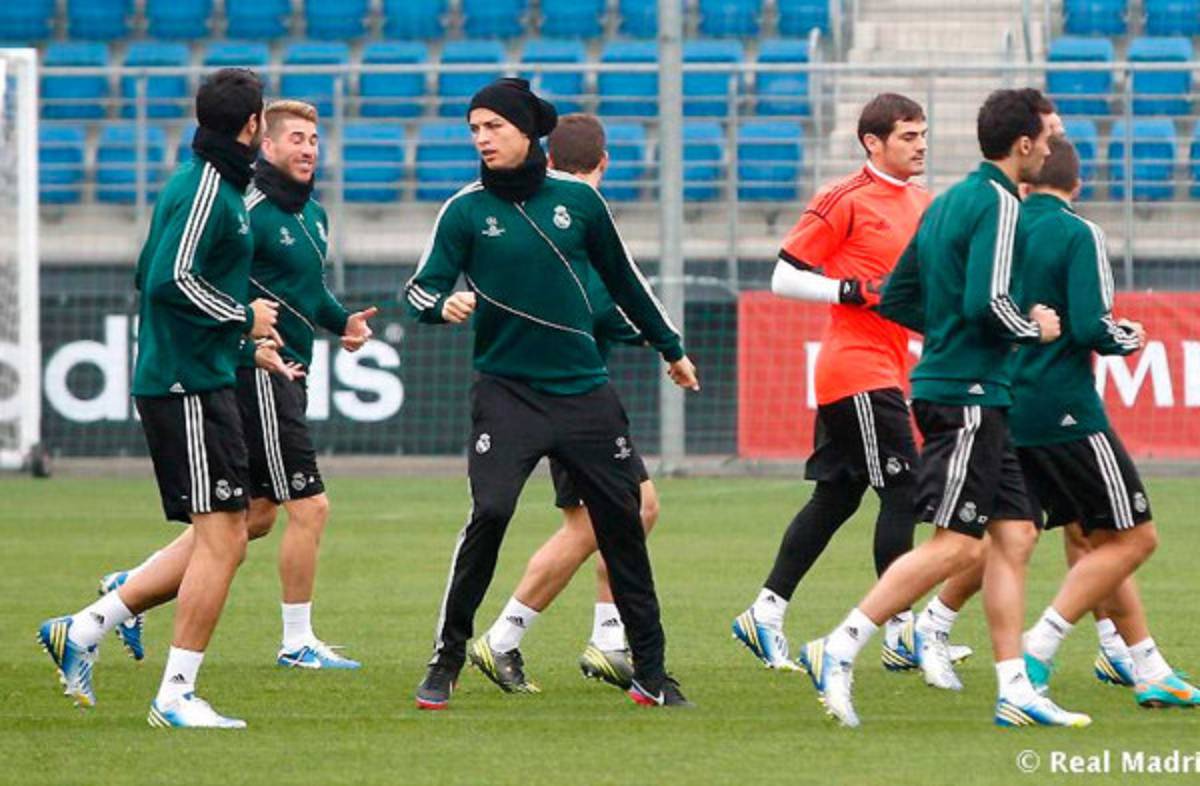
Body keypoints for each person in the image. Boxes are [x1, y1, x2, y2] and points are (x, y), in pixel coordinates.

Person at [794, 88, 1086, 729]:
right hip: (968, 396)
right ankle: (837, 646)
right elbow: (989, 304)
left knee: (1014, 535)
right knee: (957, 546)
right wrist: (1033, 327)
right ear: (1024, 144)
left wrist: (953, 330)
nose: (1056, 145)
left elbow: (897, 297)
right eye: (1050, 133)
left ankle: (1014, 687)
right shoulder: (1001, 204)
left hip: (975, 388)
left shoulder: (947, 200)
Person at [404, 79, 699, 710]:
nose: (482, 138)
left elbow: (625, 282)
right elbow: (418, 289)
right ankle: (447, 659)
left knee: (623, 525)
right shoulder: (463, 210)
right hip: (506, 395)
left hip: (585, 393)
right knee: (490, 515)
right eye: (474, 128)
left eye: (494, 127)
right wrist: (440, 304)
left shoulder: (579, 203)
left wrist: (671, 347)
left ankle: (651, 671)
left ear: (528, 133)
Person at [38, 69, 288, 729]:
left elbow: (152, 271)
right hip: (185, 385)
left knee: (234, 529)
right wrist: (242, 320)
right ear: (253, 124)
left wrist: (238, 348)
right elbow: (167, 279)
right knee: (223, 535)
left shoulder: (214, 184)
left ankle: (89, 626)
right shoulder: (207, 187)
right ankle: (174, 696)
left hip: (202, 375)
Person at [94, 100, 378, 672]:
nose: (308, 148)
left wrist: (342, 321)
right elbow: (174, 274)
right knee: (309, 505)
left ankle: (133, 586)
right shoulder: (241, 205)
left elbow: (308, 290)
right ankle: (296, 640)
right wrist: (246, 337)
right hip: (249, 371)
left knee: (254, 515)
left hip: (287, 367)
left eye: (315, 139)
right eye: (295, 138)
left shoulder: (313, 215)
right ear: (264, 144)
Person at [729, 93, 967, 678]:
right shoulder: (845, 198)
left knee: (836, 497)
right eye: (909, 136)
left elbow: (918, 295)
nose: (921, 145)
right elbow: (783, 275)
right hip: (854, 370)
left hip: (887, 368)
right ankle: (903, 631)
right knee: (905, 491)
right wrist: (845, 290)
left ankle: (764, 612)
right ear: (873, 142)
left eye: (923, 134)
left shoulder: (925, 205)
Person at [471, 113, 661, 693]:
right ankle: (506, 638)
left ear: (547, 159)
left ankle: (604, 641)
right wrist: (652, 335)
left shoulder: (545, 208)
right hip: (567, 398)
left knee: (620, 512)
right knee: (623, 512)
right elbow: (605, 304)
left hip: (547, 392)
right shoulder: (580, 216)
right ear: (606, 161)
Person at [1008, 135, 1200, 708]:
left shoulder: (1006, 228)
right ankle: (1038, 646)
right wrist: (1129, 337)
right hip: (1064, 406)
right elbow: (1092, 326)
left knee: (1091, 539)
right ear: (1078, 183)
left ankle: (1148, 668)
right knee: (1137, 537)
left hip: (1010, 401)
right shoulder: (1078, 232)